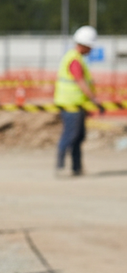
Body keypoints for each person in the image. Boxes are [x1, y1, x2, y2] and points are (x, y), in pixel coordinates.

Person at [54, 25, 104, 176]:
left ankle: (77, 167)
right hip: (71, 105)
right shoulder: (75, 59)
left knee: (78, 136)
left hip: (77, 104)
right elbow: (80, 81)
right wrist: (94, 100)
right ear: (84, 45)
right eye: (90, 46)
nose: (91, 49)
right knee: (70, 135)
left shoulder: (76, 58)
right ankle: (60, 167)